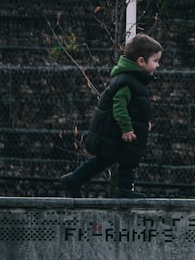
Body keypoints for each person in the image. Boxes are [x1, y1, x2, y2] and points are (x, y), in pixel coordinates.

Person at [60, 34, 162, 199]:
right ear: (141, 61)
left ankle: (75, 178)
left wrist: (144, 124)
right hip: (115, 132)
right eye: (155, 61)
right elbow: (119, 106)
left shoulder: (134, 80)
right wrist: (127, 129)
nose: (158, 65)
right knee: (126, 160)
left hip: (113, 132)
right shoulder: (128, 82)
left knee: (104, 160)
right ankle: (123, 191)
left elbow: (134, 109)